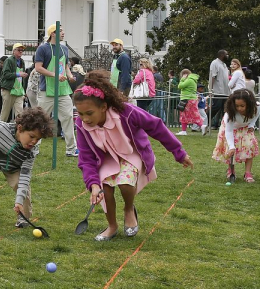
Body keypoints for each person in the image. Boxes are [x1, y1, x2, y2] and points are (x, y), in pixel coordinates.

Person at [74, 70, 193, 241]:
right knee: (104, 188)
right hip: (108, 158)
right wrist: (93, 184)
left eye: (89, 113)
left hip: (132, 153)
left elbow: (156, 127)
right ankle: (112, 226)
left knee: (125, 182)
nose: (85, 119)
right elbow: (86, 158)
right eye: (81, 114)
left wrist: (179, 153)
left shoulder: (127, 112)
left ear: (103, 107)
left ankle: (129, 209)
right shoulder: (81, 125)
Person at [34, 24, 78, 157]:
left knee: (68, 117)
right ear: (53, 33)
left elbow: (65, 66)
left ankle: (71, 148)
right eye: (61, 31)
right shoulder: (42, 49)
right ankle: (33, 147)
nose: (63, 33)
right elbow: (38, 68)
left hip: (63, 90)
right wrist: (55, 75)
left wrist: (70, 76)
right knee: (40, 119)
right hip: (46, 90)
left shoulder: (64, 48)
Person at [212, 90, 260, 183]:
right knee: (231, 150)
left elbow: (255, 116)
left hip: (245, 127)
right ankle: (231, 170)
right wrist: (231, 146)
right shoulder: (230, 113)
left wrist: (251, 124)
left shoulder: (257, 107)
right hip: (231, 129)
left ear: (249, 104)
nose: (239, 108)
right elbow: (229, 130)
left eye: (242, 106)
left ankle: (248, 173)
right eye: (237, 106)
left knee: (249, 146)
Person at [0, 43, 28, 122]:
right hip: (9, 90)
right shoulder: (9, 60)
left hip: (18, 90)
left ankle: (18, 131)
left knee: (20, 113)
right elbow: (5, 75)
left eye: (22, 50)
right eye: (19, 50)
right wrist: (18, 74)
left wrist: (24, 90)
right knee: (5, 113)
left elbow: (22, 78)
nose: (21, 51)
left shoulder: (22, 61)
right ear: (14, 51)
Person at [176, 69, 204, 136]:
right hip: (190, 99)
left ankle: (202, 126)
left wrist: (182, 79)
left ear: (184, 74)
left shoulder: (189, 80)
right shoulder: (193, 80)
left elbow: (180, 86)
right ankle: (184, 130)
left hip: (187, 99)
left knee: (188, 114)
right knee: (187, 115)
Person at [208, 49, 230, 130]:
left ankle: (225, 125)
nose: (227, 56)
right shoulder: (215, 63)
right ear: (221, 55)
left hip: (226, 92)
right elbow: (212, 76)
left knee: (225, 109)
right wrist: (211, 89)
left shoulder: (224, 65)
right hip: (218, 91)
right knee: (216, 107)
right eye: (226, 54)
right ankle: (204, 122)